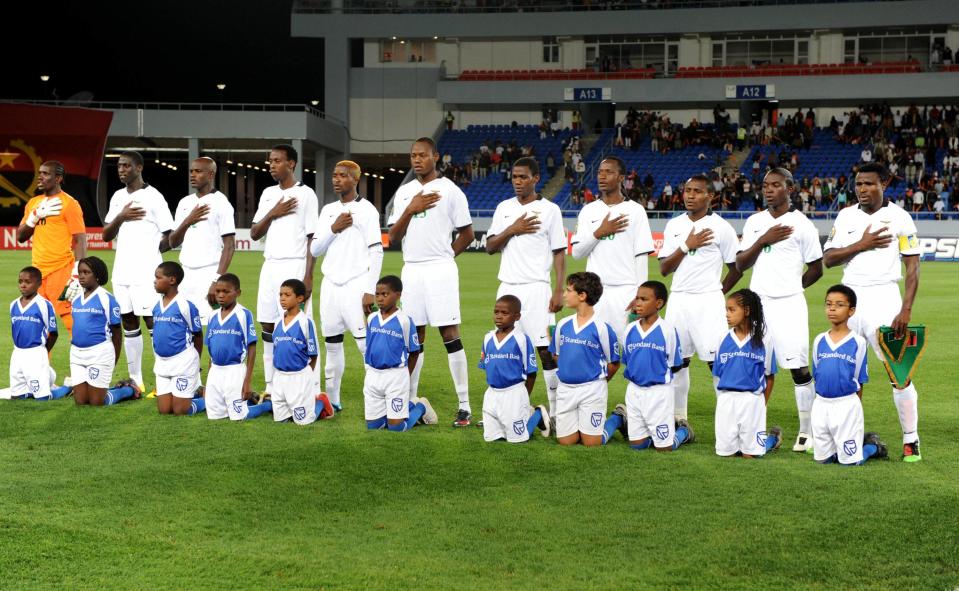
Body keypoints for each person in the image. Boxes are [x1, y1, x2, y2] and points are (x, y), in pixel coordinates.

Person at [823, 162, 923, 462]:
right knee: (845, 372)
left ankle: (911, 440)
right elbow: (828, 258)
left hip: (884, 298)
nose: (862, 189)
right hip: (850, 297)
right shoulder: (845, 215)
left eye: (869, 184)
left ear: (884, 183)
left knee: (898, 372)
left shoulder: (900, 218)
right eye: (858, 184)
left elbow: (913, 266)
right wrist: (862, 243)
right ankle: (849, 436)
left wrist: (905, 309)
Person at [387, 137, 475, 426]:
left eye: (422, 155)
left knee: (450, 333)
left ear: (435, 157)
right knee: (415, 336)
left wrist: (446, 257)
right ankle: (410, 397)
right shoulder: (404, 193)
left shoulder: (451, 191)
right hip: (411, 269)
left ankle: (464, 405)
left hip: (440, 269)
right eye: (412, 155)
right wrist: (411, 208)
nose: (416, 160)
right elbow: (394, 237)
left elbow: (467, 234)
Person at [736, 168, 823, 452]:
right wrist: (763, 240)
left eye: (776, 185)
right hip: (758, 304)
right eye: (765, 185)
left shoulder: (803, 225)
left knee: (797, 368)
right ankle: (749, 424)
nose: (769, 189)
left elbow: (816, 269)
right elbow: (740, 264)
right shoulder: (754, 222)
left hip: (789, 304)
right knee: (755, 365)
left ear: (790, 188)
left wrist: (791, 288)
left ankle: (807, 431)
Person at [658, 174, 742, 428]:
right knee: (677, 362)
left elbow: (736, 267)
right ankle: (678, 416)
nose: (690, 195)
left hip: (708, 303)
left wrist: (718, 291)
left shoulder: (722, 227)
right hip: (679, 300)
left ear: (710, 196)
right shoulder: (674, 225)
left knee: (716, 362)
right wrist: (686, 245)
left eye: (697, 191)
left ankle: (727, 420)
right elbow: (663, 269)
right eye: (687, 190)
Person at [485, 157, 566, 419]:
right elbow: (490, 247)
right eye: (514, 177)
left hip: (537, 288)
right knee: (507, 348)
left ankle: (555, 411)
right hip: (508, 288)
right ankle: (513, 407)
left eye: (522, 177)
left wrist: (558, 289)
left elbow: (559, 252)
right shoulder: (503, 208)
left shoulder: (550, 210)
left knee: (544, 350)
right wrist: (513, 228)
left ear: (535, 178)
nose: (517, 182)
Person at [310, 161, 383, 412]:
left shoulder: (367, 210)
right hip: (330, 285)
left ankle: (376, 399)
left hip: (356, 284)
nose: (336, 179)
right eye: (334, 175)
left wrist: (370, 288)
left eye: (343, 176)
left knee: (365, 346)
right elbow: (315, 248)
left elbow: (377, 251)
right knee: (332, 345)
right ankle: (333, 400)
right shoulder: (328, 210)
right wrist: (333, 228)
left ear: (355, 180)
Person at [102, 151, 174, 395]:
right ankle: (136, 381)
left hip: (146, 274)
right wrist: (121, 217)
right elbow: (106, 235)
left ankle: (162, 381)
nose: (121, 170)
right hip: (122, 271)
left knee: (153, 322)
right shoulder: (117, 197)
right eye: (119, 166)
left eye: (126, 166)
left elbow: (169, 234)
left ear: (139, 167)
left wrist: (153, 255)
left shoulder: (154, 197)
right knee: (129, 322)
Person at [250, 144, 319, 398]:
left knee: (300, 326)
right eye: (270, 160)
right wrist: (274, 212)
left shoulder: (307, 194)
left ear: (291, 164)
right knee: (268, 324)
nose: (272, 164)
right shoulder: (268, 193)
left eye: (277, 160)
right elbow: (255, 233)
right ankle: (271, 385)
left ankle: (311, 386)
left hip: (294, 264)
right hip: (270, 265)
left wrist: (308, 274)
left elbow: (313, 236)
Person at [602, 281, 692, 451]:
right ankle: (621, 417)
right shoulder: (629, 330)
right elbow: (628, 360)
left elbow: (675, 365)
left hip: (659, 393)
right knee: (638, 446)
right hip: (634, 391)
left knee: (664, 448)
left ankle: (683, 432)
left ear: (658, 304)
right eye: (637, 298)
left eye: (644, 299)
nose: (638, 303)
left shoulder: (668, 331)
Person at [571, 156, 654, 339]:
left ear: (621, 177)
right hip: (594, 291)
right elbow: (577, 253)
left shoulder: (635, 211)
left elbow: (641, 256)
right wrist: (599, 232)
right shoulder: (588, 211)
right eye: (600, 172)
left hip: (625, 291)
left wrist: (640, 295)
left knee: (627, 347)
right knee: (593, 345)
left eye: (609, 172)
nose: (602, 176)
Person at [811, 285, 889, 465]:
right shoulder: (819, 340)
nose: (832, 308)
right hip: (821, 405)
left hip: (846, 405)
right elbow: (818, 373)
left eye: (839, 305)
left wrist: (854, 411)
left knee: (850, 462)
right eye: (828, 304)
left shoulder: (858, 342)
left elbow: (859, 379)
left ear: (851, 311)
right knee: (824, 461)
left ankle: (873, 447)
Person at [549, 272, 620, 447]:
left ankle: (618, 418)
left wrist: (597, 382)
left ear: (582, 296)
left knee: (591, 443)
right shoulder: (562, 325)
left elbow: (614, 363)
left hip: (592, 389)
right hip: (565, 389)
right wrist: (571, 370)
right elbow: (556, 354)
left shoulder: (602, 328)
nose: (564, 294)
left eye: (568, 290)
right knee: (566, 441)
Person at [16, 161, 87, 333]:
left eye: (46, 174)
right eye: (40, 172)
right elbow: (20, 237)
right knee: (38, 324)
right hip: (37, 272)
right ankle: (41, 361)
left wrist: (78, 272)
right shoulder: (33, 203)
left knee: (71, 320)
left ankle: (84, 359)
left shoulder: (69, 204)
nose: (40, 176)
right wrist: (34, 216)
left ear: (58, 178)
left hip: (61, 270)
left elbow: (80, 239)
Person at [712, 289, 783, 458]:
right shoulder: (723, 338)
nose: (727, 314)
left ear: (747, 311)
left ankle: (772, 439)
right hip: (726, 401)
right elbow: (717, 374)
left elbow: (769, 376)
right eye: (726, 310)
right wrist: (722, 400)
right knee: (726, 454)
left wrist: (761, 405)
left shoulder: (764, 339)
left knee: (749, 455)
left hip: (752, 401)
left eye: (732, 310)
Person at [363, 275, 437, 432]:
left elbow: (414, 352)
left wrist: (405, 375)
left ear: (397, 295)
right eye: (377, 294)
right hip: (373, 375)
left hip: (396, 376)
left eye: (385, 294)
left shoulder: (404, 321)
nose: (380, 298)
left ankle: (421, 405)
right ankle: (394, 412)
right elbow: (369, 346)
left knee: (396, 428)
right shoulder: (371, 319)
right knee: (374, 426)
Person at [168, 157, 236, 326]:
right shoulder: (185, 203)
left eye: (198, 171)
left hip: (209, 272)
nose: (193, 175)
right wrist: (188, 221)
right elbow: (173, 242)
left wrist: (217, 280)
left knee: (212, 327)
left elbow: (229, 246)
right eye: (191, 171)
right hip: (185, 274)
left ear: (211, 174)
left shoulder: (221, 203)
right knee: (184, 326)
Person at [478, 295, 550, 443]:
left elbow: (532, 372)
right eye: (496, 312)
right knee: (494, 439)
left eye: (504, 313)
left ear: (517, 316)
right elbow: (487, 366)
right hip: (491, 394)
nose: (499, 316)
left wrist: (523, 399)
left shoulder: (522, 339)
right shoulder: (487, 338)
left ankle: (537, 415)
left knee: (518, 439)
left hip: (514, 394)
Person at [203, 273, 272, 421]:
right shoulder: (212, 316)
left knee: (239, 416)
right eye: (218, 291)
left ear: (238, 293)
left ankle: (266, 404)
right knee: (215, 416)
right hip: (216, 371)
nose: (221, 295)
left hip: (234, 371)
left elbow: (252, 347)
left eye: (226, 292)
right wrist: (209, 379)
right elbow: (211, 350)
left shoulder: (243, 314)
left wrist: (247, 381)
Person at [270, 279, 333, 425]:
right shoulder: (277, 322)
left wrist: (306, 375)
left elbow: (314, 353)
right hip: (279, 377)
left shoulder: (306, 322)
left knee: (302, 422)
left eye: (287, 294)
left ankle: (321, 403)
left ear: (299, 298)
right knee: (282, 421)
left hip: (299, 377)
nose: (282, 298)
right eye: (280, 295)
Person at [69, 257, 124, 406]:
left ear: (97, 275)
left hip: (100, 354)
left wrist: (114, 359)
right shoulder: (75, 299)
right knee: (81, 401)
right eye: (80, 272)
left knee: (97, 402)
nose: (81, 276)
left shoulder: (107, 299)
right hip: (77, 354)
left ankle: (128, 389)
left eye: (86, 272)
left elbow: (117, 333)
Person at [151, 262, 203, 416]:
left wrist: (196, 363)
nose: (154, 281)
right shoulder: (156, 306)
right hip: (162, 363)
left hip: (184, 362)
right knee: (165, 410)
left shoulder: (186, 306)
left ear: (172, 280)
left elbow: (198, 335)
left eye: (158, 278)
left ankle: (210, 399)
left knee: (180, 411)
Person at [9, 266, 58, 400]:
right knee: (17, 397)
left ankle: (66, 389)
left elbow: (53, 333)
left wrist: (43, 352)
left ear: (38, 284)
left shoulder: (44, 305)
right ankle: (48, 375)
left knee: (41, 398)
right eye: (20, 281)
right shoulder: (13, 304)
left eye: (27, 282)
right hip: (17, 353)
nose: (23, 285)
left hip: (35, 353)